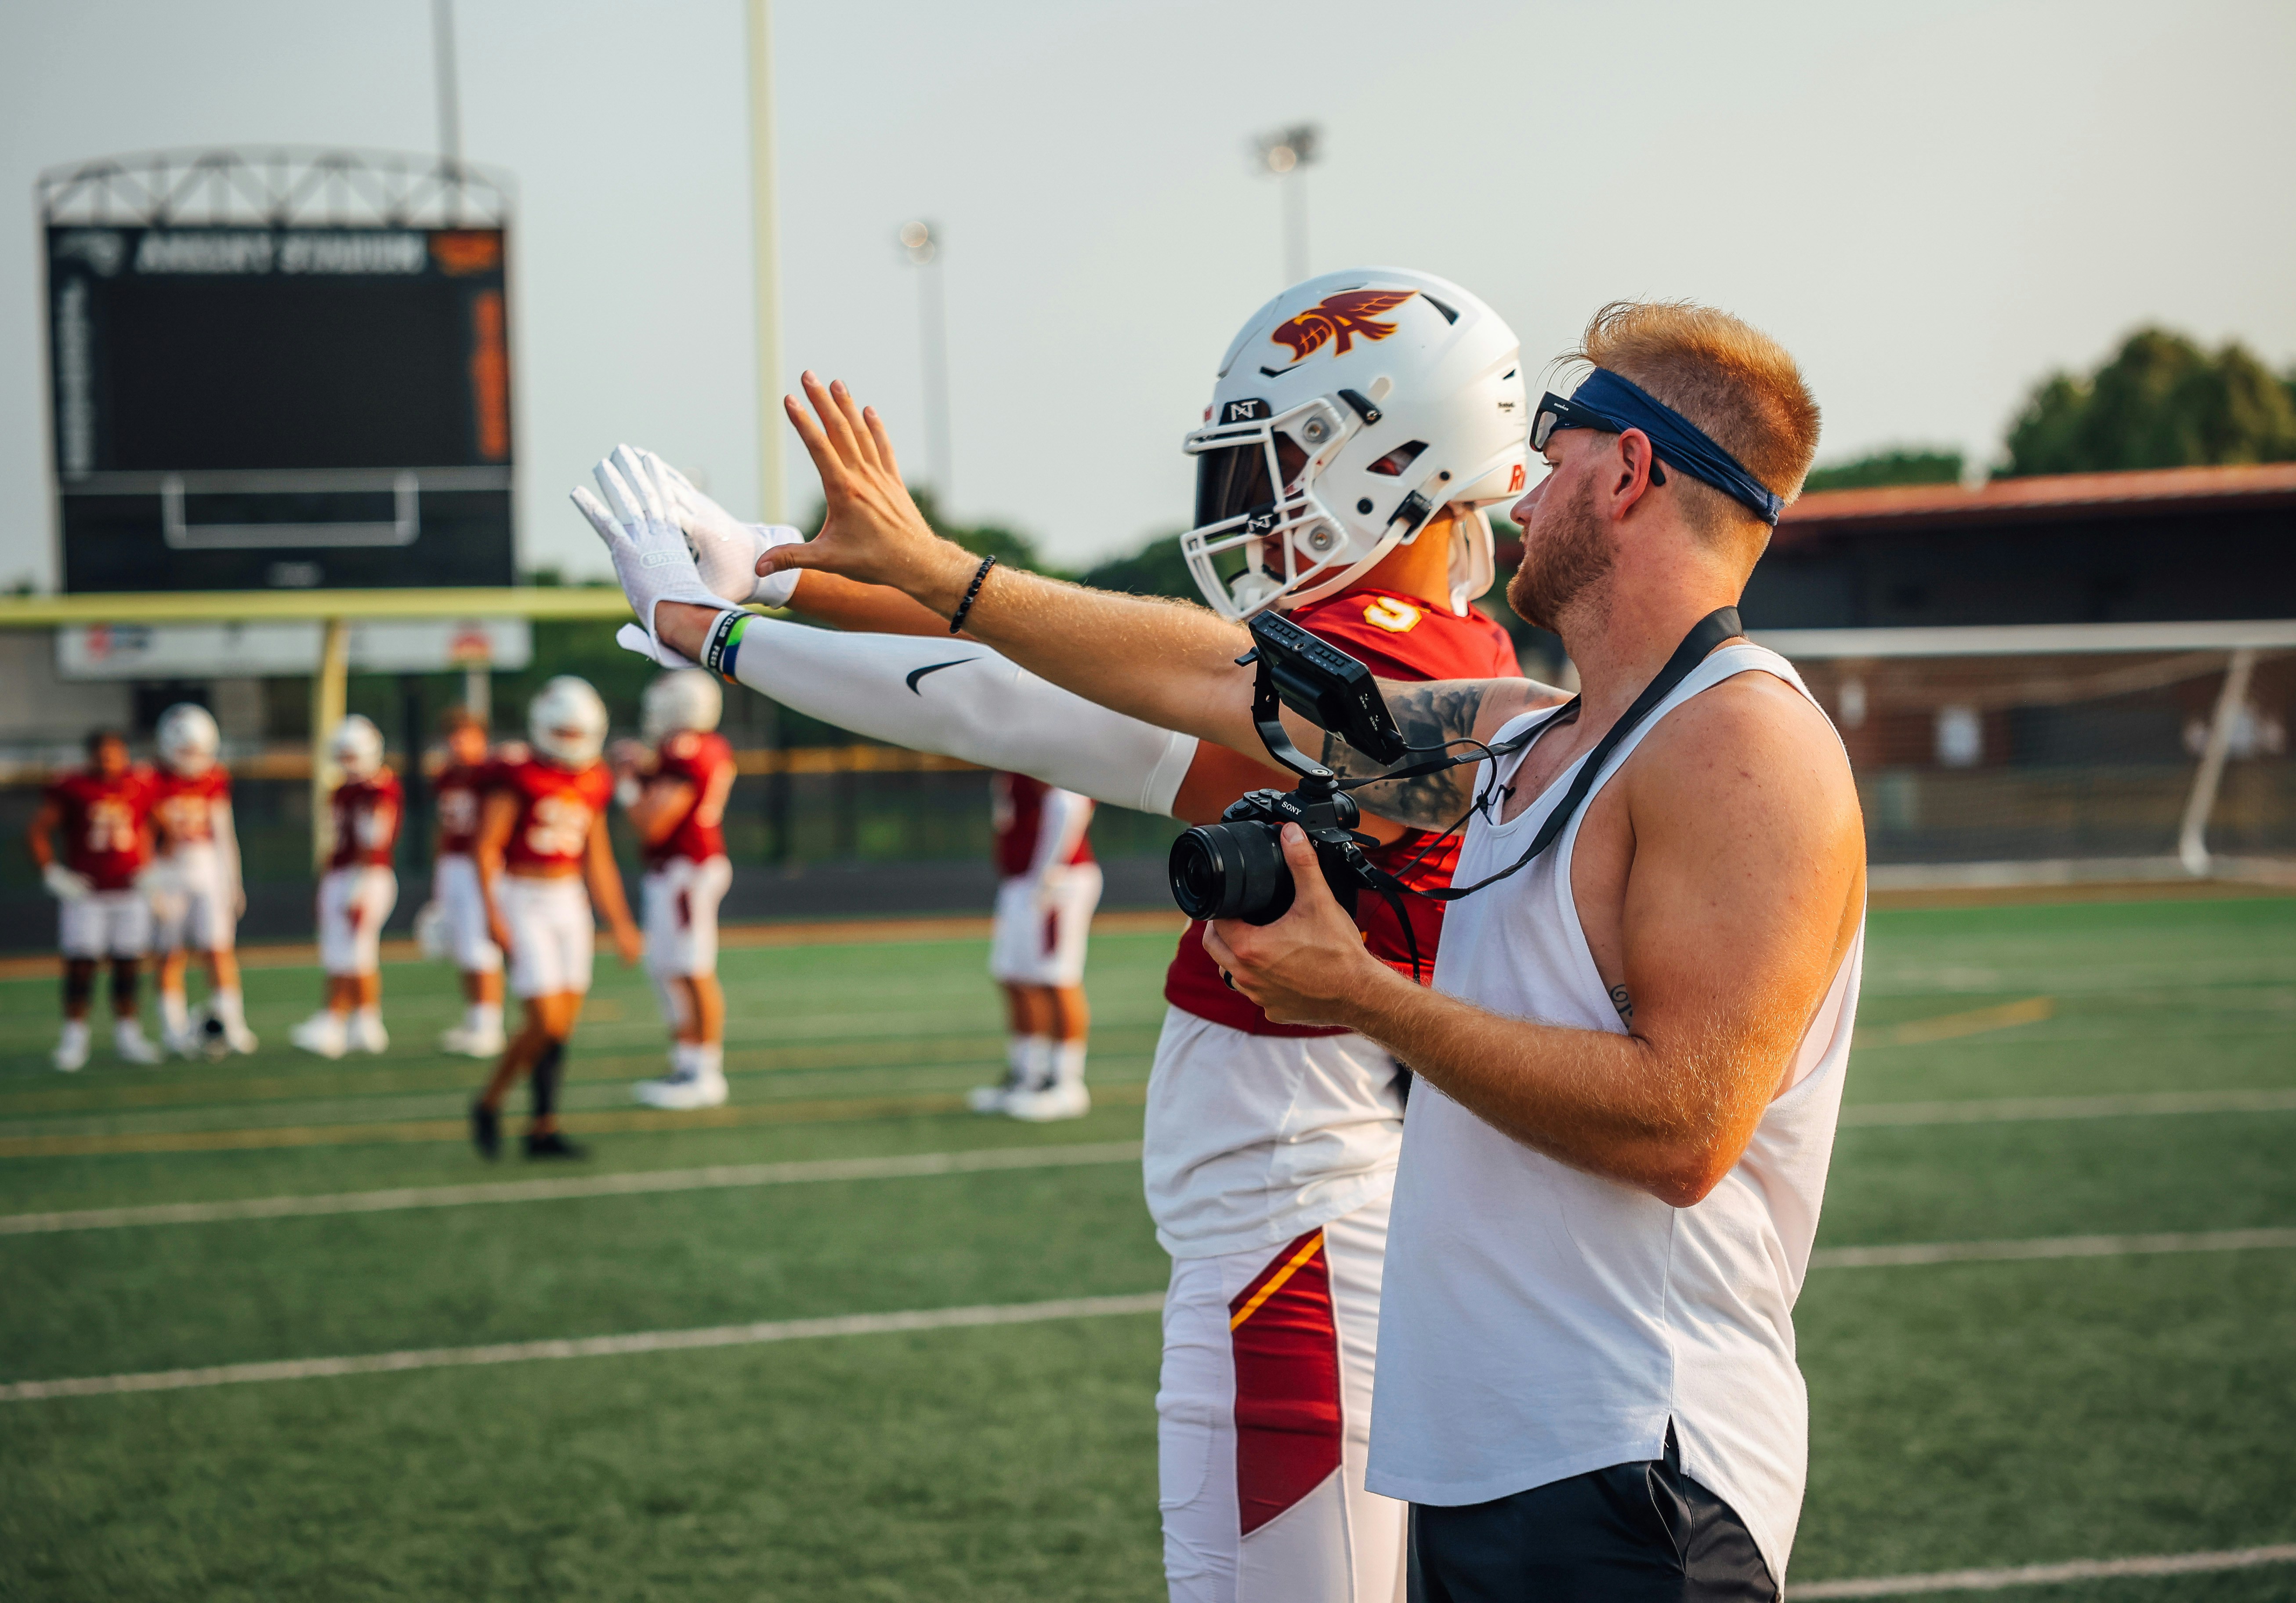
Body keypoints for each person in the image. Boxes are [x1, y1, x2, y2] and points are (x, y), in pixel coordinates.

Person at [645, 300, 1866, 1597]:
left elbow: (1685, 1127)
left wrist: (1361, 995)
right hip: (1497, 1447)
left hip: (1642, 1455)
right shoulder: (1522, 733)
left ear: (1629, 474)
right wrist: (929, 573)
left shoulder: (1743, 743)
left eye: (1559, 446)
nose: (1521, 482)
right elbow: (1218, 677)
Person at [579, 266, 1528, 1602]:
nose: (1256, 502)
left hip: (1298, 1227)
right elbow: (1063, 657)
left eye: (1285, 460)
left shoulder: (1401, 680)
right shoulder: (1420, 640)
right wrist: (785, 576)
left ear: (1393, 454)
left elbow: (1033, 708)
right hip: (1292, 1216)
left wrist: (718, 632)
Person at [470, 675, 642, 1160]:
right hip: (523, 897)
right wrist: (491, 912)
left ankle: (543, 1127)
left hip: (569, 900)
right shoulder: (519, 772)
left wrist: (623, 924)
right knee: (544, 1020)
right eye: (561, 733)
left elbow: (599, 859)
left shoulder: (593, 780)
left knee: (562, 1025)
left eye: (575, 733)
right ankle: (488, 1101)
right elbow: (487, 847)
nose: (569, 743)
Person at [620, 668, 736, 1110]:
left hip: (687, 870)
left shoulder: (685, 750)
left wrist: (630, 783)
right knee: (668, 967)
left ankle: (704, 1072)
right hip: (682, 869)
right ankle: (687, 1062)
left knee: (692, 968)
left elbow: (653, 824)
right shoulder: (708, 745)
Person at [28, 728, 163, 1070]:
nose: (109, 762)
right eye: (103, 755)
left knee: (128, 965)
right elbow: (38, 830)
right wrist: (52, 873)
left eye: (115, 754)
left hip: (130, 890)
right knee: (81, 966)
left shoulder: (141, 784)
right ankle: (74, 1039)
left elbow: (163, 826)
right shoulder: (74, 787)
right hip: (87, 893)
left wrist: (156, 868)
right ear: (90, 756)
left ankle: (128, 1036)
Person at [975, 773, 1104, 1121]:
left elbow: (1068, 803)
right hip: (1023, 880)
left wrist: (1047, 873)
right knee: (1014, 975)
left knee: (1057, 977)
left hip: (1055, 881)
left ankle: (1067, 1084)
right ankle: (1028, 1076)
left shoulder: (1043, 738)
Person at [291, 715, 402, 1058]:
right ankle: (361, 1025)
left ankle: (338, 1021)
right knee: (346, 953)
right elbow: (334, 845)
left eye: (353, 756)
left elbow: (374, 841)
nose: (347, 763)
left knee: (353, 953)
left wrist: (358, 888)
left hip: (365, 876)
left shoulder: (378, 789)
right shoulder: (344, 791)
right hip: (345, 874)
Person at [148, 703, 255, 1056]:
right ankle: (174, 1031)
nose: (192, 757)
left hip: (206, 867)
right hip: (167, 871)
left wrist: (233, 881)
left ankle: (233, 1024)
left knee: (219, 949)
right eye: (185, 749)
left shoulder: (214, 778)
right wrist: (149, 884)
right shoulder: (150, 780)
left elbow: (225, 833)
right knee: (169, 953)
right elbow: (142, 837)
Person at [427, 708, 508, 1057]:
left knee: (481, 946)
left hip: (482, 864)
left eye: (466, 735)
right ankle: (475, 1020)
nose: (458, 743)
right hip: (453, 863)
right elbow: (442, 827)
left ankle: (491, 1026)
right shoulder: (446, 776)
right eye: (453, 736)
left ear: (482, 738)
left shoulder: (490, 774)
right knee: (461, 946)